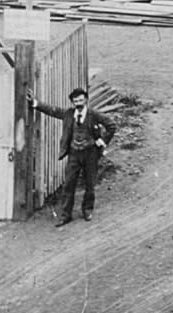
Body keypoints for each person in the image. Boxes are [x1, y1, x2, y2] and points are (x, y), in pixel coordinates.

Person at [26, 86, 117, 227]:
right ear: (72, 103)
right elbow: (52, 110)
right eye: (76, 101)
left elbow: (111, 125)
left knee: (90, 184)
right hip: (74, 154)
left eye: (81, 100)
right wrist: (35, 103)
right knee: (68, 184)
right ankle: (65, 215)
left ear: (86, 100)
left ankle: (87, 210)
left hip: (90, 154)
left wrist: (103, 141)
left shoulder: (94, 115)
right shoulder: (69, 114)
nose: (79, 103)